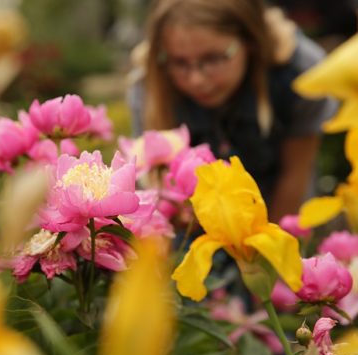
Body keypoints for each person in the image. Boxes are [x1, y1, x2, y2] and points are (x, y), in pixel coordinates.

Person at [128, 0, 337, 223]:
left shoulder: (301, 75)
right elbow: (157, 193)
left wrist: (263, 254)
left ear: (250, 42)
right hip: (193, 229)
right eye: (180, 62)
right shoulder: (150, 82)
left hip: (274, 218)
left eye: (213, 58)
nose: (196, 79)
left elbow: (294, 177)